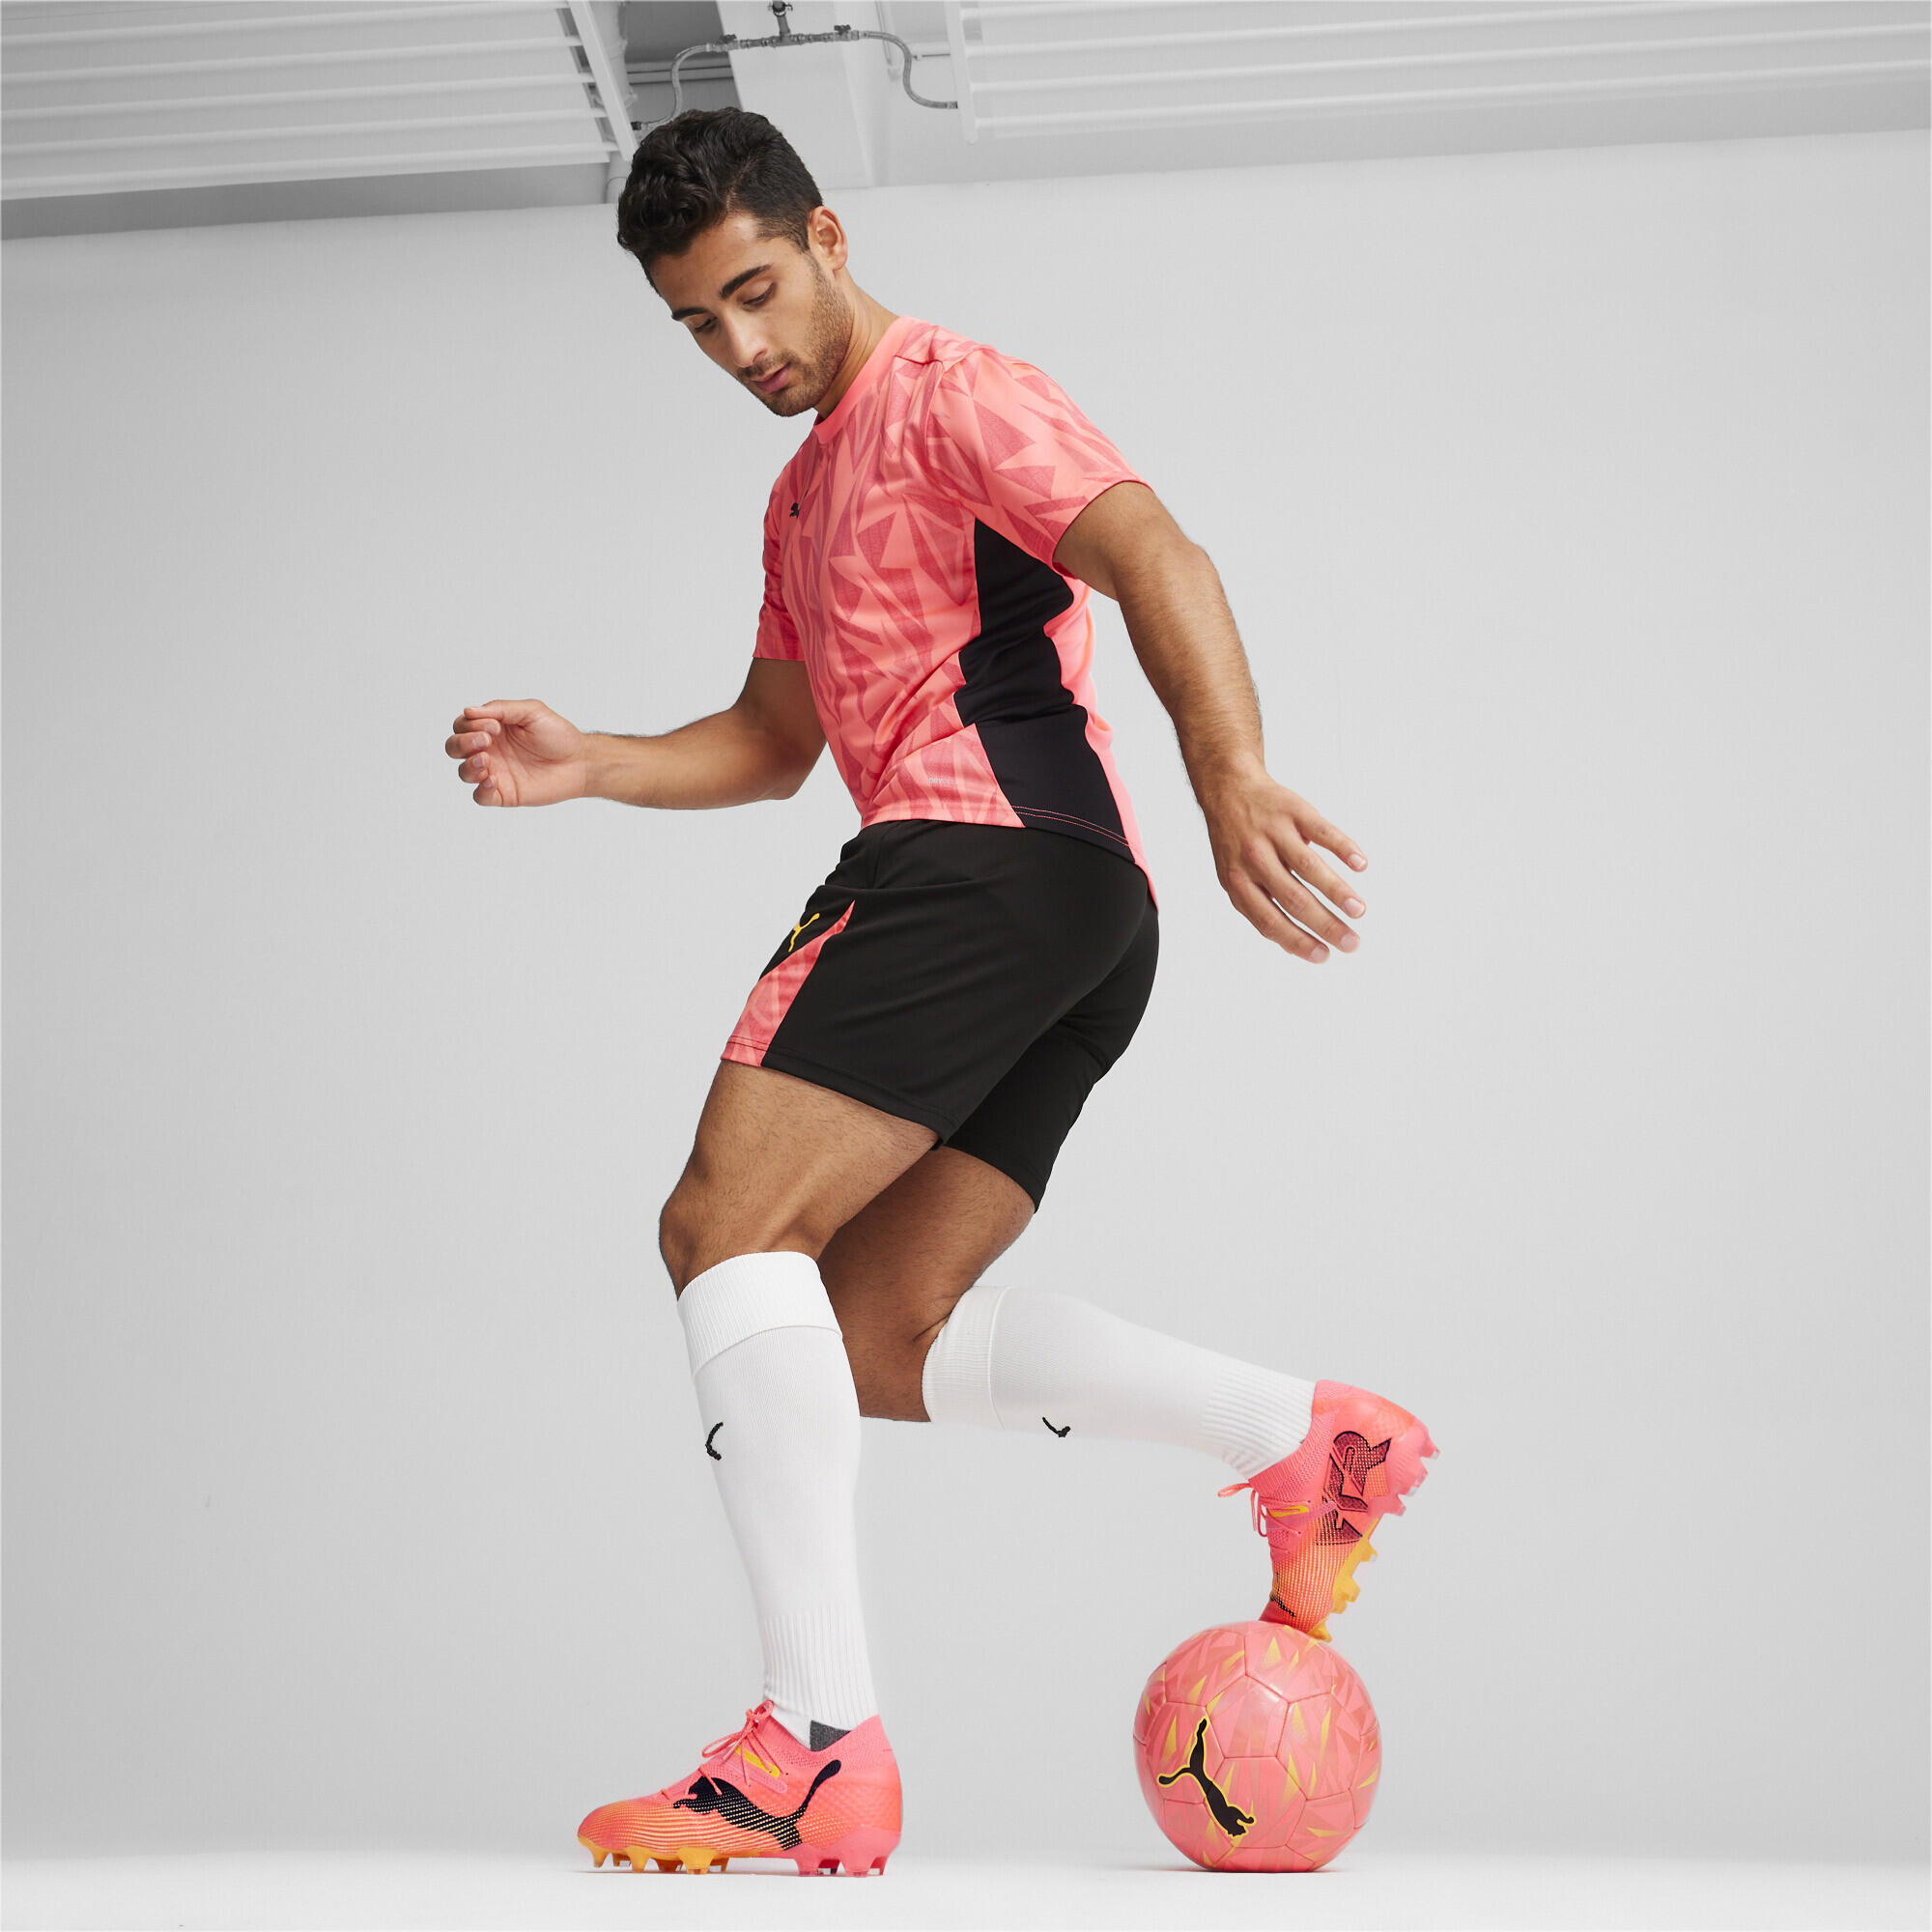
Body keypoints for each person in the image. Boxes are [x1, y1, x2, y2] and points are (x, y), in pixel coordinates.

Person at [442, 106, 1435, 1878]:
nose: (739, 347)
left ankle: (815, 1741)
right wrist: (592, 761)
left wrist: (1230, 774)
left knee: (720, 1226)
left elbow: (1157, 552)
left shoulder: (953, 390)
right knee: (872, 1334)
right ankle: (1296, 1435)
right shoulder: (799, 493)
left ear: (826, 237)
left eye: (756, 291)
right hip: (1068, 909)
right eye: (696, 324)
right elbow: (773, 743)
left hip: (981, 858)